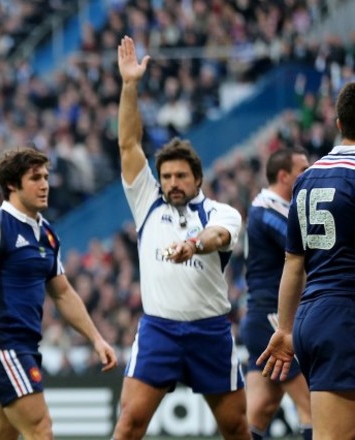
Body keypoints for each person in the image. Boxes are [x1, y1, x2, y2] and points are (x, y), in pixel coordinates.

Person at [112, 36, 249, 439]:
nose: (172, 183)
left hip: (210, 331)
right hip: (160, 331)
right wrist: (130, 85)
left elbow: (217, 235)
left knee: (237, 427)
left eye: (180, 176)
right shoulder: (147, 203)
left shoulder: (220, 211)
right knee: (129, 424)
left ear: (197, 179)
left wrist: (193, 245)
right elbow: (128, 143)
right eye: (166, 176)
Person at [0, 147, 118, 440]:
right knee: (41, 429)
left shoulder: (47, 233)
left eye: (46, 176)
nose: (45, 184)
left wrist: (96, 339)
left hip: (26, 345)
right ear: (12, 185)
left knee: (0, 436)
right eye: (35, 178)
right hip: (4, 345)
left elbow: (63, 293)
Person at [258, 82, 355, 439]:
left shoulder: (308, 177)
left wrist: (284, 329)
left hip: (312, 318)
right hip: (345, 317)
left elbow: (293, 263)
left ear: (339, 124)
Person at [241, 147, 312, 440]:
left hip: (261, 319)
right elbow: (306, 249)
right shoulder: (268, 211)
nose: (310, 174)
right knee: (314, 407)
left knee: (259, 411)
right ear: (284, 176)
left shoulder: (271, 208)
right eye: (303, 170)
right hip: (272, 318)